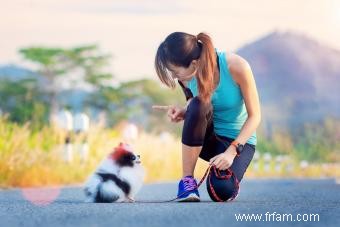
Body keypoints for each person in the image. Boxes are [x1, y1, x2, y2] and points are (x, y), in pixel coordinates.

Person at [153, 32, 261, 202]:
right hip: (207, 140)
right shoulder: (186, 78)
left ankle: (225, 177)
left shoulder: (237, 66)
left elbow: (255, 116)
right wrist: (185, 111)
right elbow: (195, 106)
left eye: (175, 71)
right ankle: (187, 182)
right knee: (198, 104)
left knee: (221, 192)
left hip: (238, 141)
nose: (174, 77)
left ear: (194, 63)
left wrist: (231, 152)